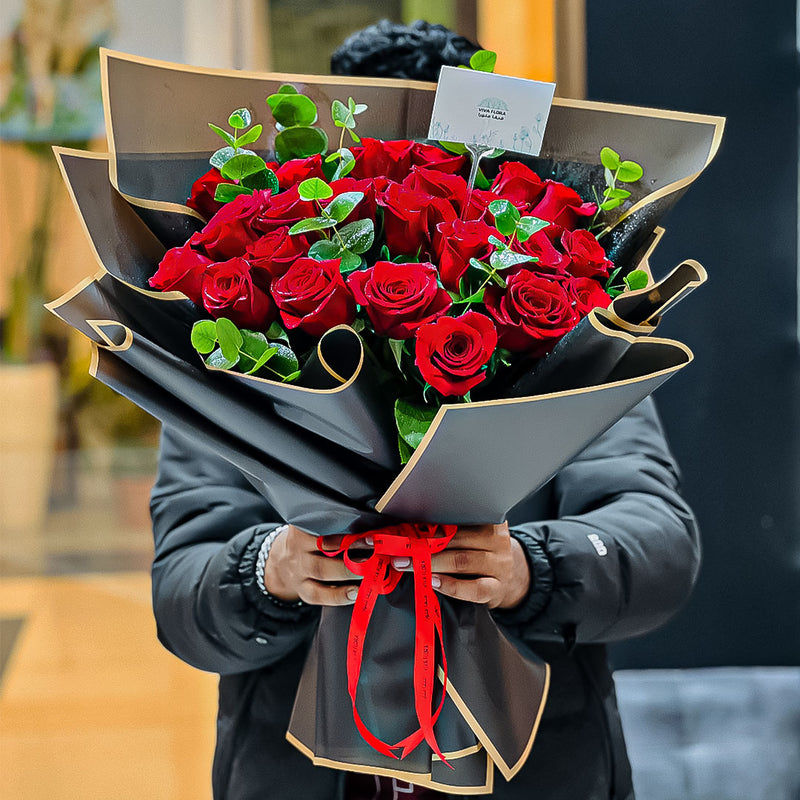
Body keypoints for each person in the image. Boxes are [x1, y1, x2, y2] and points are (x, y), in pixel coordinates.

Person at [149, 21, 701, 800]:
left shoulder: (569, 346)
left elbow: (661, 549)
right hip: (296, 768)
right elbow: (181, 595)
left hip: (536, 769)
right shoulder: (239, 352)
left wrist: (527, 570)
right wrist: (268, 569)